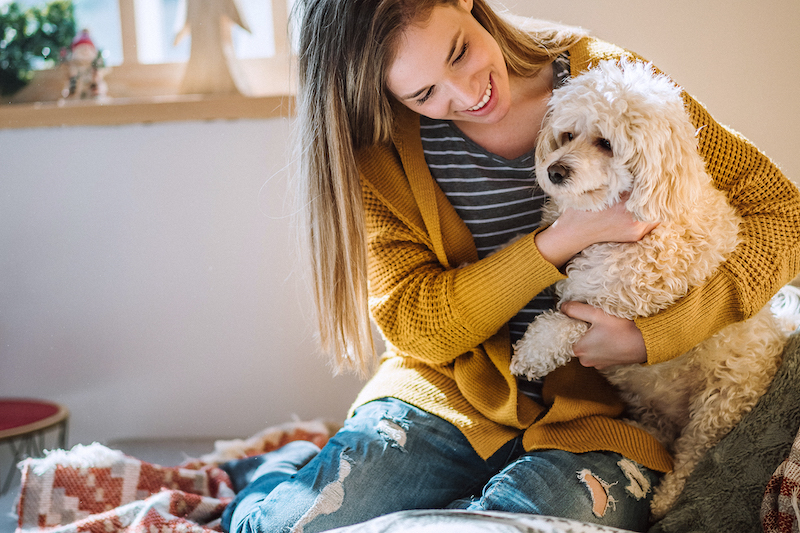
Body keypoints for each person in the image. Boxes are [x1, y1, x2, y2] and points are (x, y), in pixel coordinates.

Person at [220, 0, 800, 531]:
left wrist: (657, 335)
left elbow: (784, 212)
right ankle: (275, 474)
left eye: (459, 51)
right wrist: (564, 238)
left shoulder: (608, 82)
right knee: (287, 526)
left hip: (600, 415)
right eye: (424, 94)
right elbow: (417, 325)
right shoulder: (380, 146)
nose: (466, 92)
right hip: (443, 396)